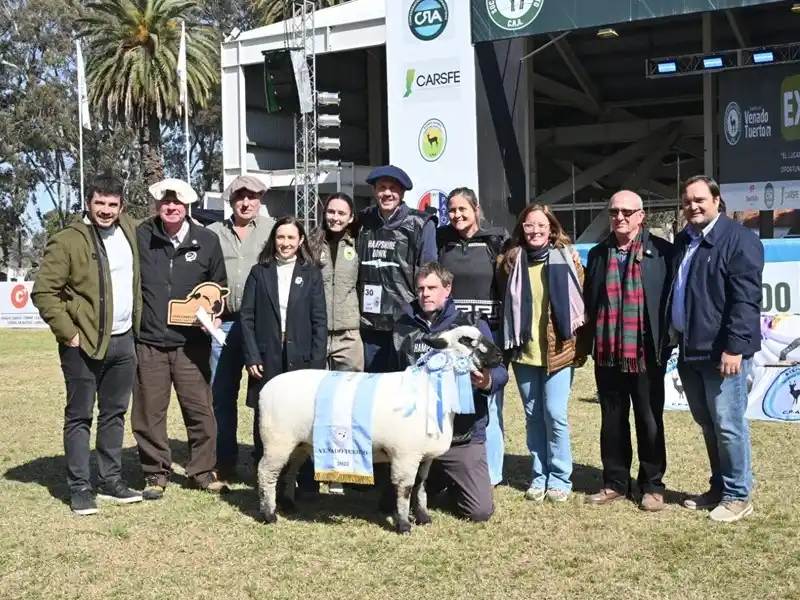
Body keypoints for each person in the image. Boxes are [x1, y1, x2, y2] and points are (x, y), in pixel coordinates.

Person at [32, 172, 143, 515]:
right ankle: (80, 487)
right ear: (88, 202)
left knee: (115, 414)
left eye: (113, 204)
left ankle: (110, 481)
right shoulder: (67, 240)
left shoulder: (131, 231)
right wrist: (70, 333)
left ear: (122, 205)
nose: (106, 210)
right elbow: (43, 292)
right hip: (82, 344)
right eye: (100, 203)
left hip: (125, 342)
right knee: (80, 416)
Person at [670, 175, 763, 522]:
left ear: (717, 200)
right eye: (687, 201)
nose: (692, 206)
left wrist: (735, 348)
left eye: (699, 199)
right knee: (708, 423)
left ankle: (739, 495)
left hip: (723, 354)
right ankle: (720, 487)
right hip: (690, 350)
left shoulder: (739, 240)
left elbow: (746, 300)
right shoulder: (684, 241)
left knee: (728, 424)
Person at [388, 262, 508, 521]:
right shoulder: (403, 327)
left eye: (432, 287)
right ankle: (425, 485)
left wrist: (486, 381)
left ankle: (449, 485)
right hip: (413, 435)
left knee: (479, 512)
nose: (425, 294)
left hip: (461, 435)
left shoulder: (471, 325)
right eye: (420, 288)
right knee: (388, 501)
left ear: (448, 289)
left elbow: (500, 371)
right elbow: (388, 376)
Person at [132, 178, 228, 500]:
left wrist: (215, 314)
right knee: (149, 413)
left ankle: (201, 472)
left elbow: (218, 288)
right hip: (150, 342)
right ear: (157, 205)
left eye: (177, 203)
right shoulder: (140, 237)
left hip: (192, 345)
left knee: (200, 410)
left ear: (187, 206)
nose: (170, 208)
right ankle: (155, 474)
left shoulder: (208, 240)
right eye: (165, 203)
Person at [578, 191, 674, 512]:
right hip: (607, 353)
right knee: (612, 419)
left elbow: (670, 304)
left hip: (646, 352)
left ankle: (652, 484)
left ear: (641, 216)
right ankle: (615, 482)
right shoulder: (597, 254)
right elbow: (589, 304)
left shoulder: (662, 253)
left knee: (649, 420)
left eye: (627, 212)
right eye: (614, 211)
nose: (620, 217)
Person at [497, 205, 585, 503]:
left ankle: (560, 476)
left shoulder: (568, 258)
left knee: (555, 414)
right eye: (529, 226)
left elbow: (579, 298)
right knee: (533, 416)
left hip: (559, 350)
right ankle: (539, 475)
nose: (535, 231)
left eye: (541, 226)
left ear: (551, 228)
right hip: (525, 351)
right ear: (522, 228)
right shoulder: (511, 262)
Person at [239, 216, 327, 495]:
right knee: (268, 416)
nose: (285, 243)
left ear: (300, 240)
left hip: (301, 359)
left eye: (291, 238)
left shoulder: (311, 273)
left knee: (304, 417)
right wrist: (252, 355)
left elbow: (319, 322)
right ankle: (266, 478)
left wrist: (316, 365)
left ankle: (305, 479)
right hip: (267, 357)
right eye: (280, 237)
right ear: (273, 240)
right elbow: (247, 317)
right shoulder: (259, 272)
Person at [436, 187, 509, 486]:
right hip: (454, 337)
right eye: (452, 210)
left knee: (489, 402)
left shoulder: (496, 241)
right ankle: (452, 470)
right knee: (453, 402)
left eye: (462, 209)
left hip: (487, 335)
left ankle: (490, 474)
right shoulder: (442, 242)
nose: (457, 215)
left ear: (476, 209)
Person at [207, 175, 274, 482]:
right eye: (239, 198)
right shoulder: (212, 233)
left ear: (260, 200)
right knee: (221, 395)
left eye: (252, 197)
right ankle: (225, 460)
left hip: (261, 327)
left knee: (264, 396)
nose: (246, 203)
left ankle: (265, 459)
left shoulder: (274, 231)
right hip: (224, 324)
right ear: (230, 201)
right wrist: (208, 311)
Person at [357, 165, 438, 373]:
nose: (387, 193)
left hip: (406, 322)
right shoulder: (362, 222)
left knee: (405, 387)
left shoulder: (421, 224)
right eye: (382, 187)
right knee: (374, 388)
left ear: (401, 193)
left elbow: (429, 271)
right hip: (370, 324)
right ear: (375, 192)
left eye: (393, 188)